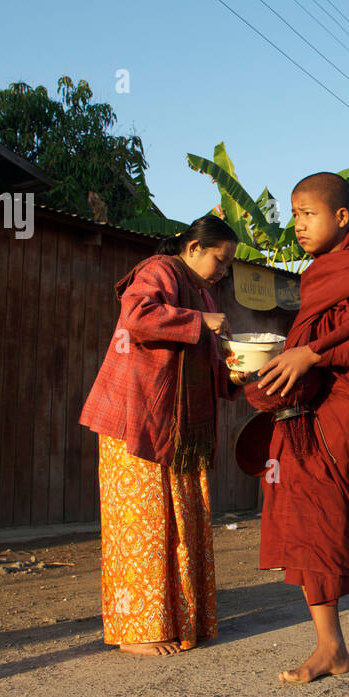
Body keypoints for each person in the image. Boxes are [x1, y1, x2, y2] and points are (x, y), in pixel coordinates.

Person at [246, 172, 349, 682]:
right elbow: (307, 338)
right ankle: (329, 646)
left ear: (341, 217)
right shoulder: (314, 277)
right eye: (294, 214)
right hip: (308, 417)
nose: (298, 224)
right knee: (309, 516)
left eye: (308, 213)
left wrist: (313, 354)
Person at [79, 214, 239, 657]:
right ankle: (138, 632)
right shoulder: (159, 270)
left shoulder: (201, 292)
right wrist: (200, 321)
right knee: (142, 526)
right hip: (136, 419)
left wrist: (239, 374)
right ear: (192, 249)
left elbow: (207, 364)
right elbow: (137, 315)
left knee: (178, 523)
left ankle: (181, 619)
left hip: (176, 430)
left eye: (228, 265)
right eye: (220, 261)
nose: (224, 271)